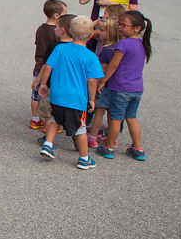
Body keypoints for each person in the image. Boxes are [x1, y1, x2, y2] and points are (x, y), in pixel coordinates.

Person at [36, 17, 103, 170]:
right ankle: (84, 158)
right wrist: (92, 99)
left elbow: (47, 67)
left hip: (57, 95)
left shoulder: (60, 49)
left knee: (54, 119)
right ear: (91, 35)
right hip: (77, 99)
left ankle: (48, 144)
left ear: (71, 31)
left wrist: (44, 84)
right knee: (80, 128)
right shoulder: (90, 56)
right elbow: (92, 81)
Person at [95, 10, 153, 161]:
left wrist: (103, 81)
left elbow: (113, 65)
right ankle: (138, 148)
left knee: (116, 118)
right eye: (119, 24)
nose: (120, 27)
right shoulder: (141, 44)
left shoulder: (123, 43)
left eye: (124, 25)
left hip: (120, 88)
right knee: (131, 117)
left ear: (137, 28)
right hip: (136, 88)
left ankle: (108, 147)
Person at [30, 0, 67, 130]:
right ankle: (48, 122)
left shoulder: (40, 28)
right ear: (57, 16)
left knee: (35, 95)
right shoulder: (57, 32)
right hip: (49, 68)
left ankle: (35, 118)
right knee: (48, 95)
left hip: (38, 64)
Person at [87, 14, 121, 147]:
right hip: (116, 85)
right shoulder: (118, 48)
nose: (98, 33)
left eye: (101, 30)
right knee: (112, 114)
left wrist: (95, 87)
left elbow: (101, 71)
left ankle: (93, 137)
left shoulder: (107, 50)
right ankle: (112, 138)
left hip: (104, 86)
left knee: (99, 112)